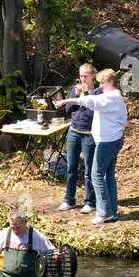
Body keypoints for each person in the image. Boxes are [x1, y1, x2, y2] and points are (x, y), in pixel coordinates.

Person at [55, 68, 128, 224]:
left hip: (107, 142)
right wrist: (77, 95)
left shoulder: (111, 98)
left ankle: (103, 212)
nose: (100, 86)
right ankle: (111, 210)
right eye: (100, 83)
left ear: (111, 82)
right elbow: (87, 101)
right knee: (108, 175)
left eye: (103, 83)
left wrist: (65, 101)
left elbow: (89, 102)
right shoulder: (113, 96)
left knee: (96, 174)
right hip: (112, 139)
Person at [58, 63, 99, 214]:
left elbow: (94, 113)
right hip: (74, 131)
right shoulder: (75, 90)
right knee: (71, 167)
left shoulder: (98, 91)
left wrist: (86, 95)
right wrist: (75, 95)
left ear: (93, 76)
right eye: (81, 76)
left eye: (86, 76)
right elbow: (68, 110)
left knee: (89, 170)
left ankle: (90, 201)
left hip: (89, 134)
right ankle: (69, 199)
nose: (83, 79)